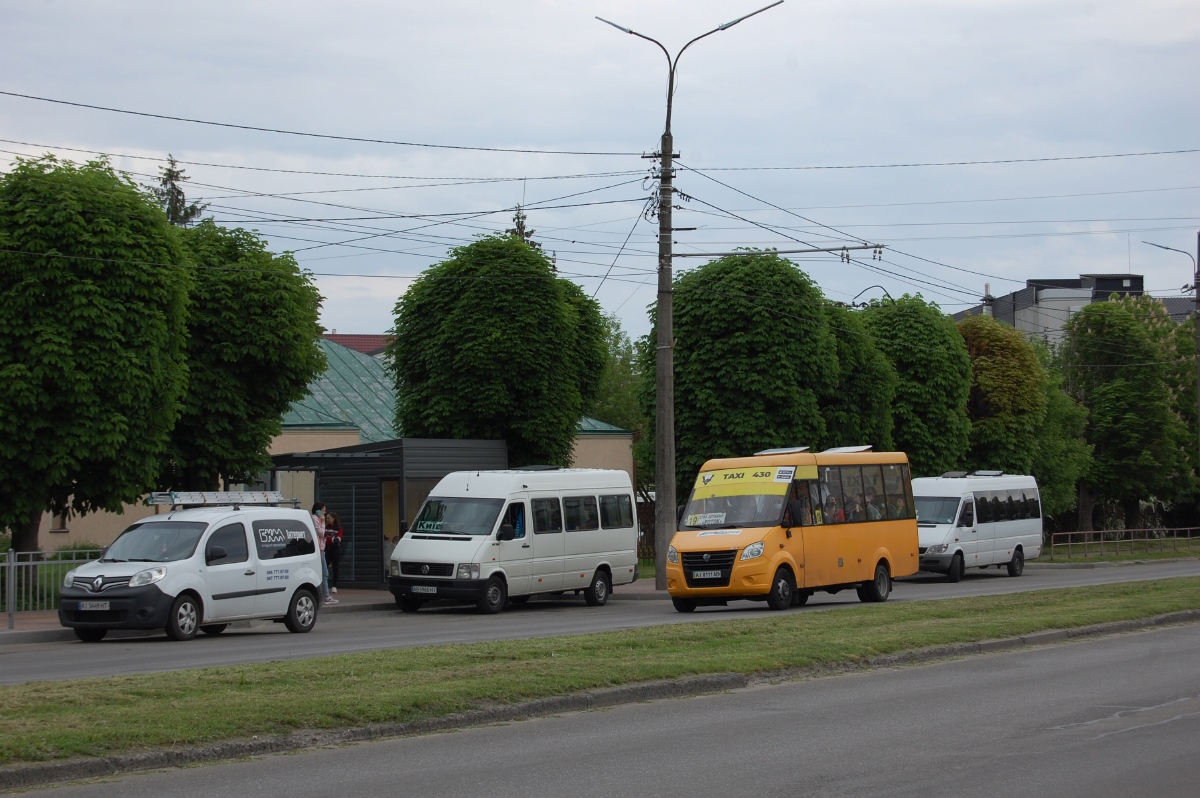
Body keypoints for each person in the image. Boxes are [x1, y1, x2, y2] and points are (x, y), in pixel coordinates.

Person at [311, 502, 336, 605]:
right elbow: (320, 533)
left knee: (324, 573)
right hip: (319, 549)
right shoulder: (315, 519)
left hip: (321, 547)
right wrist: (322, 522)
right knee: (324, 573)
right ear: (318, 510)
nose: (324, 513)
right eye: (323, 510)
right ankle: (325, 595)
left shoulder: (317, 519)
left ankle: (325, 594)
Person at [324, 510, 344, 593]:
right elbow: (323, 537)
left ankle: (334, 586)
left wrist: (328, 539)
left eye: (329, 518)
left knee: (336, 567)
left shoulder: (339, 529)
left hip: (336, 550)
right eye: (326, 518)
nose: (327, 520)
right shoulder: (326, 528)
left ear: (333, 519)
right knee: (325, 567)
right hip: (328, 549)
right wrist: (331, 539)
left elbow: (337, 540)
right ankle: (325, 585)